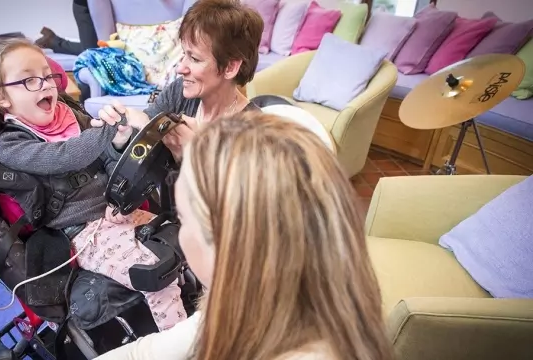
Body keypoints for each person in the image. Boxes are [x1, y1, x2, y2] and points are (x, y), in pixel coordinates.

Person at [95, 112, 394, 360]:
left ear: (231, 246)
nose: (179, 234)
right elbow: (150, 352)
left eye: (183, 220)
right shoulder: (265, 297)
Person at [0, 37, 187, 331]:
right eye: (29, 80)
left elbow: (109, 163)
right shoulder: (10, 144)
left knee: (189, 243)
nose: (45, 85)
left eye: (47, 76)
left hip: (118, 209)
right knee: (155, 275)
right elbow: (63, 156)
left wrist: (120, 142)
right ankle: (182, 342)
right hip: (84, 232)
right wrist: (106, 131)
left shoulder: (71, 116)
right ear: (1, 96)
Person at [93, 0, 264, 163]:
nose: (180, 68)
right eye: (184, 54)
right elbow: (136, 151)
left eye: (195, 59)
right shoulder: (179, 91)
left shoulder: (254, 133)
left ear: (230, 67)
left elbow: (235, 193)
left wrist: (196, 154)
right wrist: (123, 138)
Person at [34, 0, 98, 55]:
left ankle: (53, 41)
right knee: (93, 52)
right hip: (85, 5)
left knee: (97, 50)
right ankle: (53, 41)